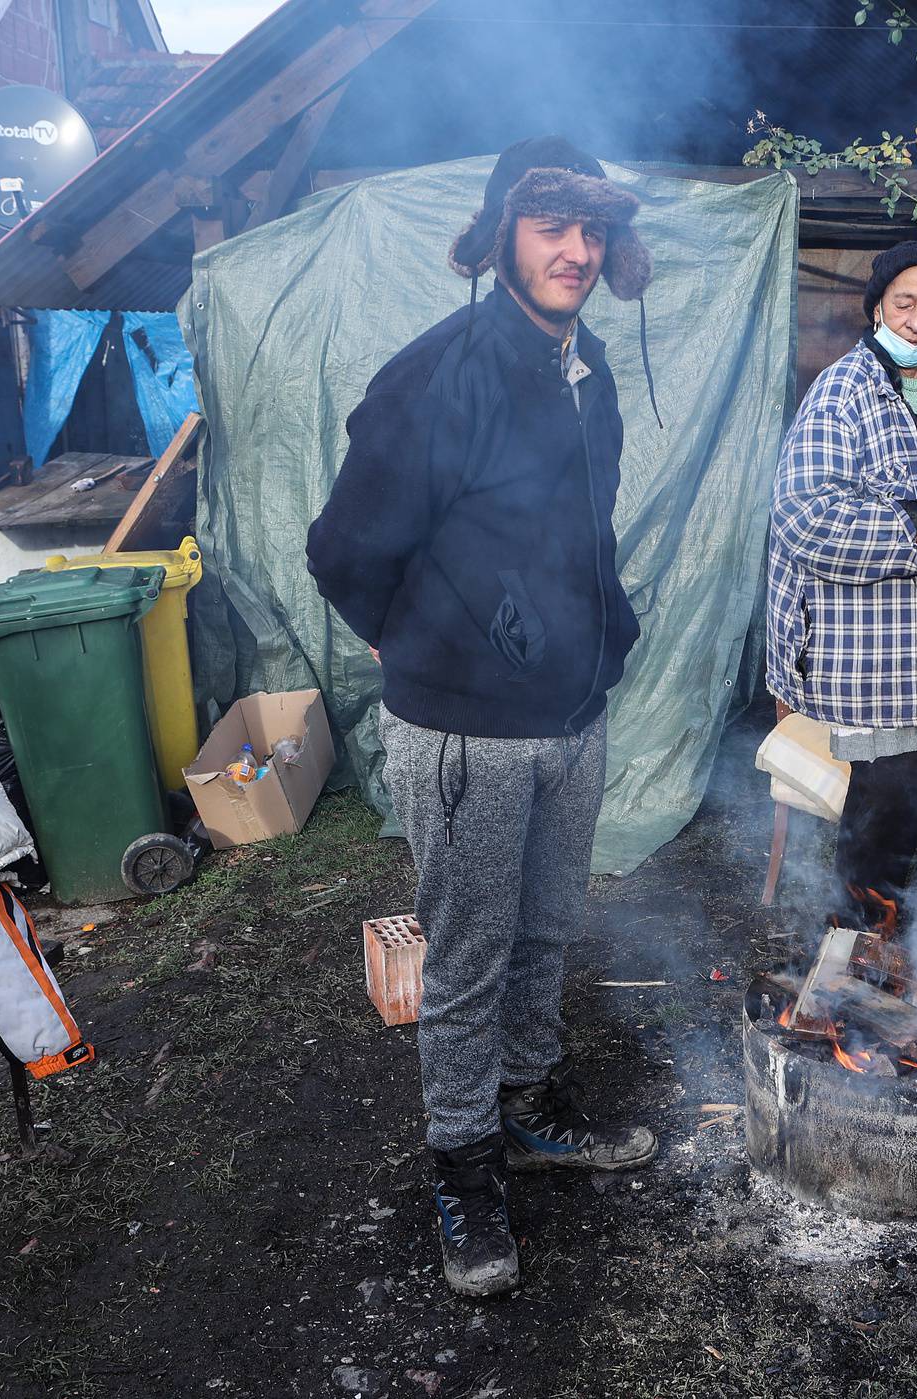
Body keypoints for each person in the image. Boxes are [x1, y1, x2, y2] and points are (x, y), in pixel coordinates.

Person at [307, 136, 658, 1300]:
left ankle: (530, 1106)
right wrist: (419, 641)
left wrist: (608, 631)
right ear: (503, 232)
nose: (574, 249)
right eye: (551, 224)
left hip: (574, 707)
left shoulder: (588, 366)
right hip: (467, 725)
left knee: (549, 927)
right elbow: (346, 550)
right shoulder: (438, 374)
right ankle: (462, 1164)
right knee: (466, 958)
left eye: (592, 230)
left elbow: (585, 528)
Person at [766, 242, 917, 924]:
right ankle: (855, 947)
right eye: (905, 304)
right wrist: (911, 531)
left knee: (894, 806)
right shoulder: (843, 389)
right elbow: (803, 515)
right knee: (886, 811)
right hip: (865, 650)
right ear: (875, 309)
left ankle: (865, 946)